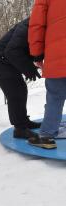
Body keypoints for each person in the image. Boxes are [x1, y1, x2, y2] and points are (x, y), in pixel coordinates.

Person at [0, 18, 41, 139]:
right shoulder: (27, 27)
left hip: (6, 61)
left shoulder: (35, 27)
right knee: (15, 94)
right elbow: (12, 50)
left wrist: (38, 58)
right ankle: (19, 129)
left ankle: (23, 122)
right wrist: (28, 67)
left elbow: (28, 47)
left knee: (21, 90)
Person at [27, 0, 66, 149]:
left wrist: (36, 54)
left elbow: (37, 25)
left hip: (57, 55)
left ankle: (46, 136)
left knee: (55, 97)